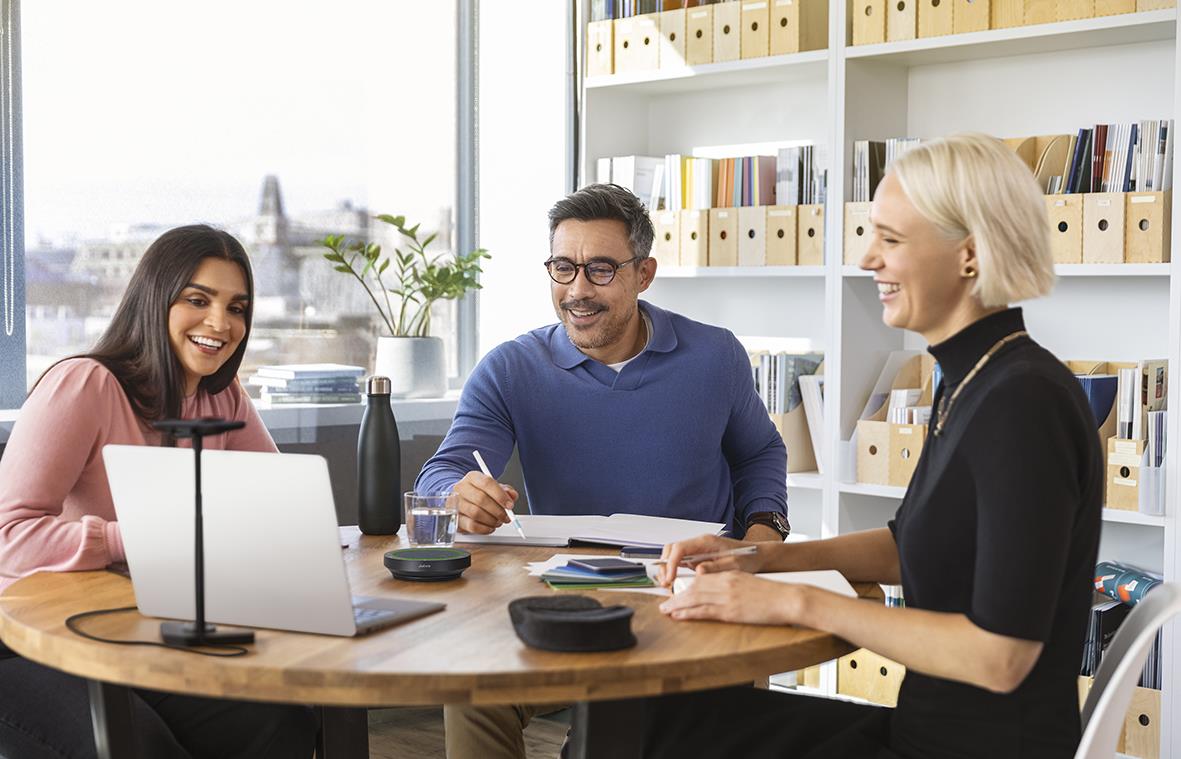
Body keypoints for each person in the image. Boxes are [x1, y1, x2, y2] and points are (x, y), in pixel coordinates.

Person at [647, 133, 1103, 759]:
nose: (867, 259)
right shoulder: (974, 379)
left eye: (891, 239)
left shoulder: (1022, 402)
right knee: (660, 725)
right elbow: (913, 545)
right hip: (925, 730)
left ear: (970, 254)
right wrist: (758, 560)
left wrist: (791, 601)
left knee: (659, 737)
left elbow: (1001, 657)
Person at [414, 183, 792, 758]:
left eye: (600, 270)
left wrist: (764, 538)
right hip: (566, 592)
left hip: (686, 596)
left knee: (615, 736)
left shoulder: (716, 356)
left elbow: (760, 452)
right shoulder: (511, 367)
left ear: (644, 274)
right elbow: (441, 473)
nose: (577, 291)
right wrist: (457, 495)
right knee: (474, 690)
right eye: (563, 269)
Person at [0, 225, 317, 758]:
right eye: (198, 300)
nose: (221, 323)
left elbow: (277, 512)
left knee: (278, 720)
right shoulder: (85, 384)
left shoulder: (223, 399)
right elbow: (8, 537)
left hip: (129, 632)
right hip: (26, 644)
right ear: (155, 299)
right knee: (137, 745)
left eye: (237, 307)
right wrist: (143, 536)